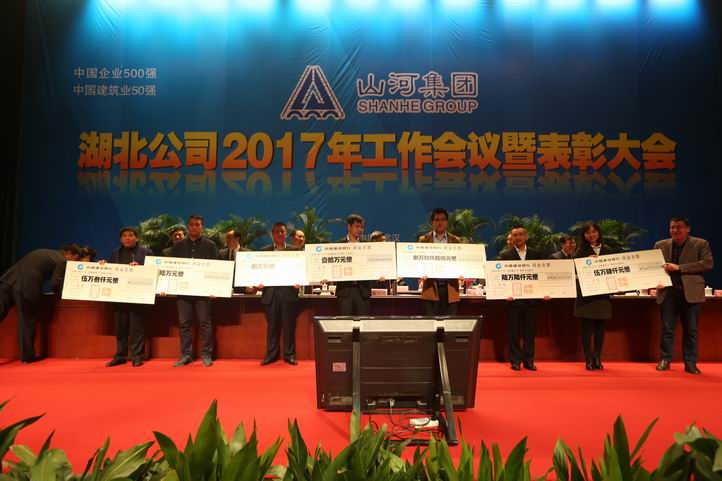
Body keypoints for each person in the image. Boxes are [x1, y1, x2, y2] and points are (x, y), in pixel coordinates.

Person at [0, 244, 81, 362]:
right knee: (26, 320)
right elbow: (55, 283)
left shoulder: (47, 252)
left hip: (8, 281)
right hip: (26, 286)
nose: (74, 262)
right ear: (68, 253)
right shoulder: (62, 261)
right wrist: (62, 296)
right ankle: (27, 356)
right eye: (75, 259)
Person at [655, 217, 713, 375]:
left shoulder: (700, 243)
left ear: (688, 229)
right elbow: (653, 267)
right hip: (668, 292)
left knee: (691, 330)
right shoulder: (660, 245)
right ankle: (665, 359)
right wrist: (656, 280)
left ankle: (690, 362)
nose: (675, 230)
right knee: (667, 329)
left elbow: (707, 263)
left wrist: (680, 267)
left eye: (679, 227)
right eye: (672, 227)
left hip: (691, 292)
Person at [170, 214, 218, 367]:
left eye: (197, 224)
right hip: (183, 291)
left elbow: (216, 268)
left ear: (202, 227)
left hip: (203, 291)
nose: (194, 227)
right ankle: (186, 355)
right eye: (191, 224)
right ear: (188, 226)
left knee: (205, 323)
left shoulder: (210, 245)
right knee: (184, 324)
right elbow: (172, 267)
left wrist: (214, 288)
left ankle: (206, 354)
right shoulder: (178, 246)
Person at [104, 227, 153, 368]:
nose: (127, 238)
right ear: (121, 239)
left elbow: (152, 272)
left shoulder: (146, 253)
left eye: (130, 235)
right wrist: (103, 267)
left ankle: (137, 357)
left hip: (137, 296)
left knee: (136, 329)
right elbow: (111, 273)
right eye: (124, 236)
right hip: (119, 296)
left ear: (137, 238)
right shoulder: (115, 253)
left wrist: (140, 268)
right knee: (121, 328)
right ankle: (120, 356)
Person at [573, 222, 614, 371]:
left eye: (594, 232)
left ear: (599, 233)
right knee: (586, 328)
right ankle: (588, 358)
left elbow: (614, 269)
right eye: (587, 233)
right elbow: (573, 271)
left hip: (602, 294)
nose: (591, 235)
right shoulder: (580, 251)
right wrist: (586, 263)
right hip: (586, 295)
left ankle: (597, 357)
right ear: (584, 235)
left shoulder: (608, 250)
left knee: (600, 328)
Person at [499, 226, 541, 371]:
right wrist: (505, 293)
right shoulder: (505, 255)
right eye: (515, 235)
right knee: (514, 332)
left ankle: (529, 360)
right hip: (513, 299)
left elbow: (542, 275)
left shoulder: (536, 253)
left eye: (521, 234)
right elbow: (502, 277)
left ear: (526, 236)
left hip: (531, 299)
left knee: (530, 332)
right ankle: (515, 360)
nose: (518, 237)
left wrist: (546, 291)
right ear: (511, 237)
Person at [259, 222, 300, 365]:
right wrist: (258, 280)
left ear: (286, 234)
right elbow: (259, 271)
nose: (280, 234)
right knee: (272, 327)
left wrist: (299, 280)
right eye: (277, 231)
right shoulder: (264, 251)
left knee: (289, 327)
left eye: (282, 231)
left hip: (288, 292)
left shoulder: (295, 251)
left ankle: (289, 355)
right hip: (271, 293)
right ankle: (271, 355)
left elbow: (300, 270)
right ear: (272, 234)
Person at [419, 208, 462, 316]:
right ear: (432, 222)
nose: (440, 222)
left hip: (450, 288)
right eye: (437, 219)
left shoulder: (455, 240)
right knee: (431, 323)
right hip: (430, 287)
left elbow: (461, 262)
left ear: (447, 222)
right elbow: (418, 262)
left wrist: (462, 273)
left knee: (449, 324)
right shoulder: (424, 240)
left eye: (443, 219)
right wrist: (420, 272)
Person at [335, 214, 372, 316]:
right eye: (357, 226)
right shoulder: (338, 245)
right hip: (345, 291)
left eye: (362, 227)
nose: (360, 230)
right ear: (349, 226)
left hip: (362, 291)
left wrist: (380, 274)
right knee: (345, 323)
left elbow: (373, 266)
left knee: (363, 323)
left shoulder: (368, 245)